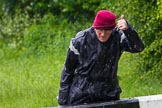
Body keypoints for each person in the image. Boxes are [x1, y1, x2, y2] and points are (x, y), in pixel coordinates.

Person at [58, 10, 145, 105]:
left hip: (108, 92)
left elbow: (138, 47)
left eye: (107, 31)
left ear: (112, 29)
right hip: (82, 92)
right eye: (100, 30)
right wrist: (63, 99)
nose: (103, 34)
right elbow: (68, 69)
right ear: (94, 27)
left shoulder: (118, 37)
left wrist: (128, 30)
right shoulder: (80, 40)